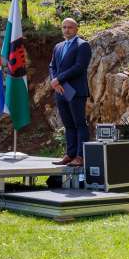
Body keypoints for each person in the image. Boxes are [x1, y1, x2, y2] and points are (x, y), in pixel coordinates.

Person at [49, 18, 92, 167]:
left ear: (76, 29)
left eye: (70, 27)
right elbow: (52, 66)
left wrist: (58, 79)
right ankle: (70, 154)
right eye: (64, 27)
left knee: (79, 123)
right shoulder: (58, 46)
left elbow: (79, 67)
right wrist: (55, 81)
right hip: (61, 90)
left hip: (75, 90)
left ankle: (81, 156)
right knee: (68, 124)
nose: (66, 30)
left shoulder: (83, 45)